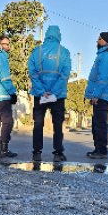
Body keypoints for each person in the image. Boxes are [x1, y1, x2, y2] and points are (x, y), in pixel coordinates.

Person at [27, 25, 71, 162]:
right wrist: (53, 92)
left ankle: (37, 153)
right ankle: (58, 153)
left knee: (38, 123)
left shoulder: (37, 51)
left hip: (40, 95)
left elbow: (32, 72)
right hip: (57, 96)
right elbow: (65, 74)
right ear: (59, 35)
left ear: (46, 34)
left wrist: (42, 92)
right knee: (57, 124)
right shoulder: (64, 52)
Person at [85, 31, 108, 159]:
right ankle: (98, 149)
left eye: (99, 39)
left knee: (100, 124)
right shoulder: (103, 55)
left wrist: (96, 95)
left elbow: (103, 78)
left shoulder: (106, 56)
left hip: (102, 96)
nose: (97, 41)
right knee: (96, 124)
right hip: (100, 95)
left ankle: (102, 151)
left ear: (105, 41)